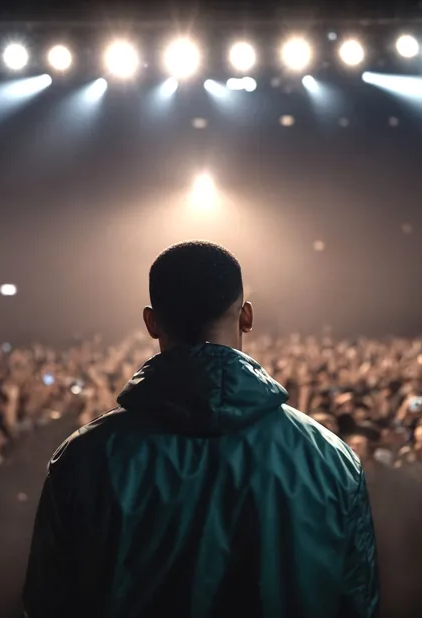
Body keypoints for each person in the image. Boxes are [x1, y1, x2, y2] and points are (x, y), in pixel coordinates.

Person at [23, 240, 380, 618]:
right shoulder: (331, 460)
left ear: (151, 322)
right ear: (246, 317)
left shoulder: (83, 458)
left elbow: (48, 602)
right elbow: (357, 604)